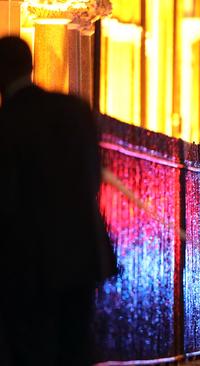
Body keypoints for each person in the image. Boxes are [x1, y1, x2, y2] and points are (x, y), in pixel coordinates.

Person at [0, 36, 117, 365]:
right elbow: (93, 177)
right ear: (31, 66)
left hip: (27, 261)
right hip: (81, 254)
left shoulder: (8, 122)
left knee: (32, 349)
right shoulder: (74, 109)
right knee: (75, 346)